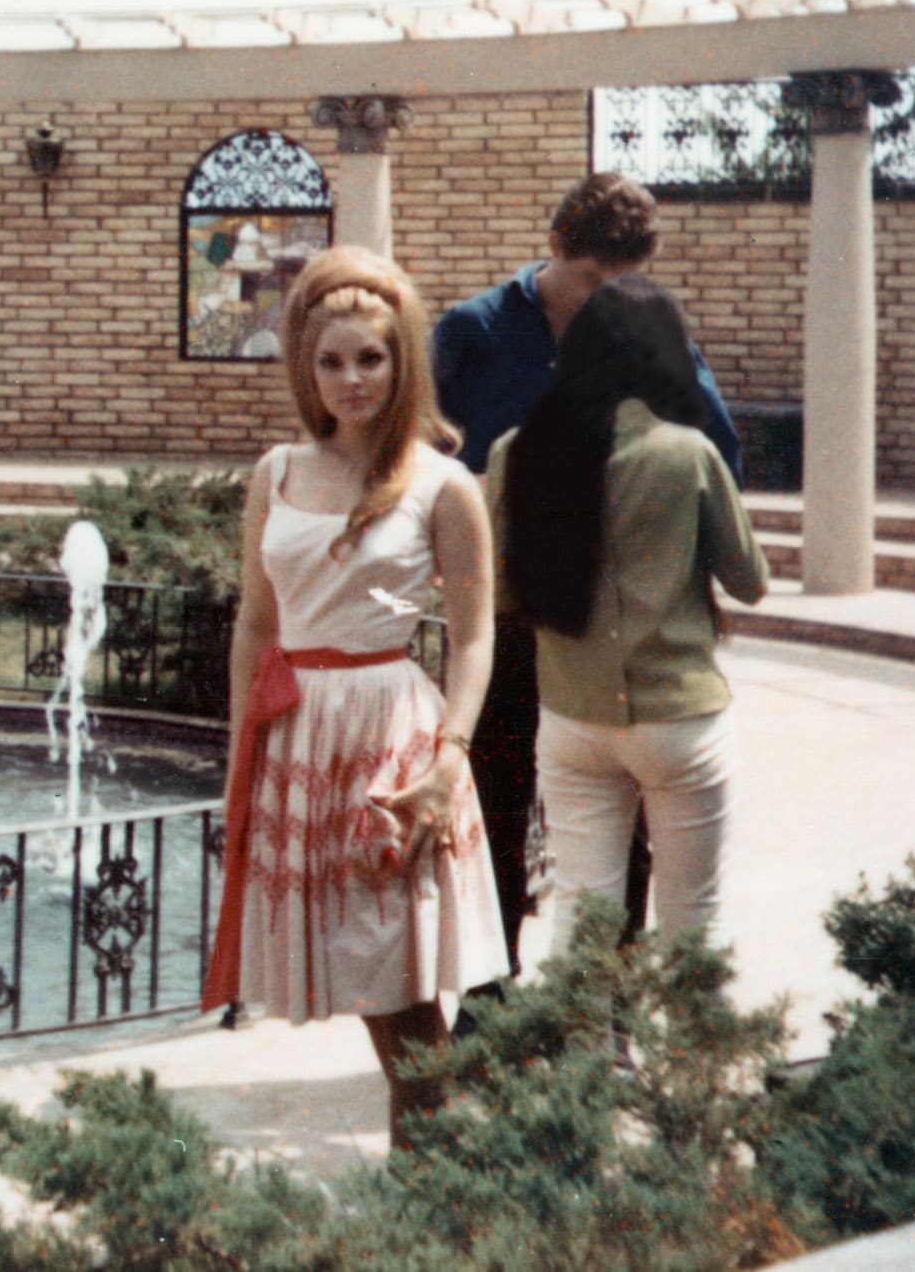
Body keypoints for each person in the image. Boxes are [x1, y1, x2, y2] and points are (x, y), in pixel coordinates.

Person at [203, 246, 508, 1150]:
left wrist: (449, 757)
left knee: (400, 986)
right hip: (298, 732)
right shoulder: (277, 474)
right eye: (331, 360)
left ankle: (439, 1191)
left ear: (402, 358)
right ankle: (448, 1184)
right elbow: (257, 626)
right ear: (306, 364)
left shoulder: (444, 485)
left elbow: (475, 632)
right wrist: (241, 759)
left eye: (370, 358)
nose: (351, 379)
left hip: (392, 738)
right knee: (376, 989)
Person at [430, 173, 741, 985]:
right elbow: (426, 459)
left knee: (622, 821)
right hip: (510, 613)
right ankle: (491, 995)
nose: (610, 299)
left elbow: (718, 453)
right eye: (595, 281)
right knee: (493, 802)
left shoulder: (640, 336)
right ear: (556, 247)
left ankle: (612, 1005)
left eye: (625, 283)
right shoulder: (474, 330)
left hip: (620, 631)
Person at [485, 275, 770, 951]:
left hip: (571, 718)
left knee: (581, 919)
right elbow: (750, 580)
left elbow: (503, 597)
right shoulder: (688, 453)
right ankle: (689, 1058)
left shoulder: (513, 454)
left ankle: (597, 1057)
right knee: (692, 922)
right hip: (680, 719)